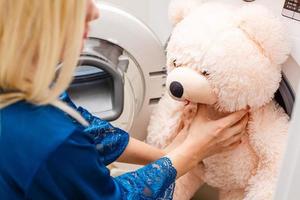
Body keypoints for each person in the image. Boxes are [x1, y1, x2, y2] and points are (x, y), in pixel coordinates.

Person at [0, 0, 249, 199]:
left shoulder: (29, 87)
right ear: (33, 22)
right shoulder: (51, 140)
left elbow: (91, 131)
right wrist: (193, 150)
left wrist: (171, 152)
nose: (93, 11)